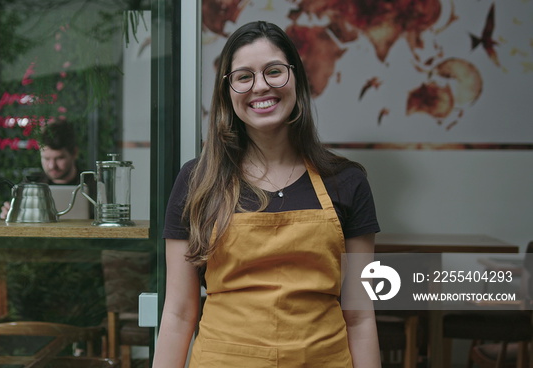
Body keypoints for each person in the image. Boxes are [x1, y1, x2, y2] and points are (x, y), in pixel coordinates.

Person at [152, 21, 381, 367]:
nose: (261, 87)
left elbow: (361, 316)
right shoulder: (197, 180)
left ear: (296, 79)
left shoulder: (347, 181)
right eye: (244, 77)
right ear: (227, 91)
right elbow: (179, 314)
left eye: (274, 71)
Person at [0, 119, 81, 219]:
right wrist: (6, 216)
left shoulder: (94, 185)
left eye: (60, 158)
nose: (52, 166)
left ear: (74, 153)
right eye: (46, 158)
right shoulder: (29, 185)